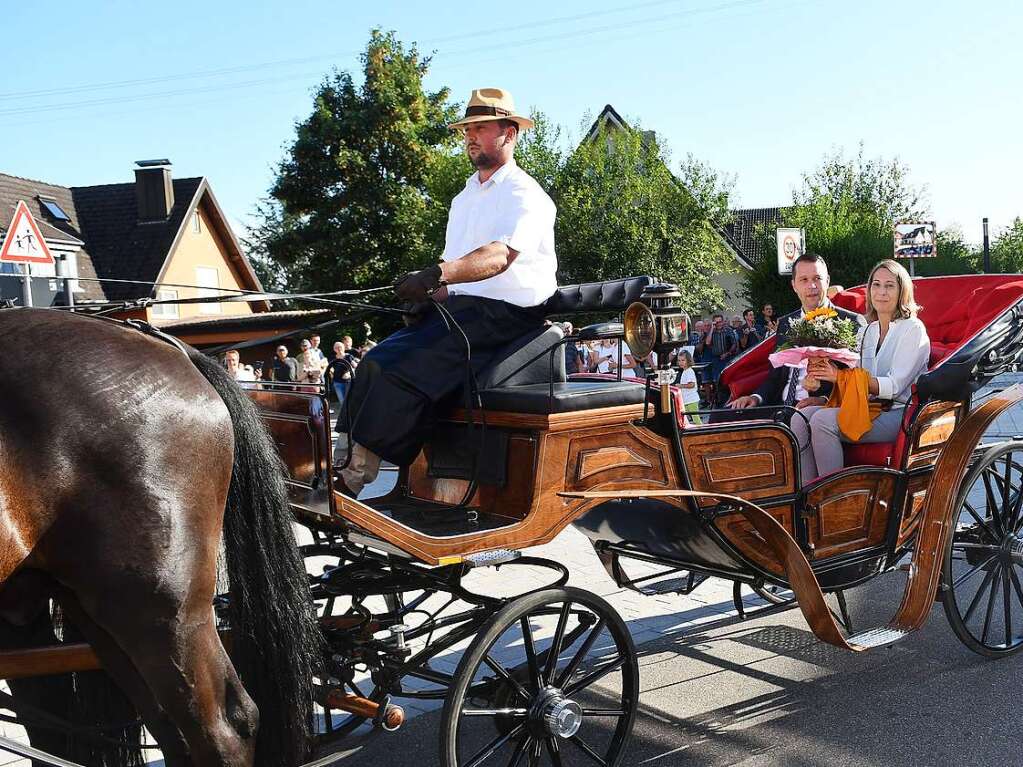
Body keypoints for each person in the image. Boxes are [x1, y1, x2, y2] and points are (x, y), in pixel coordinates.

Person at [335, 88, 557, 498]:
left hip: (509, 315)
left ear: (509, 134)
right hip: (466, 308)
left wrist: (436, 274)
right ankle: (340, 461)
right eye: (467, 130)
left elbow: (498, 257)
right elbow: (454, 272)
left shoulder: (526, 194)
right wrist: (426, 294)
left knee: (395, 365)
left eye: (480, 128)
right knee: (371, 362)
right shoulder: (463, 198)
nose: (470, 137)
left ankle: (353, 479)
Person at [790, 260, 929, 484]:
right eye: (876, 285)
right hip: (865, 405)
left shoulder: (913, 329)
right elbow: (855, 377)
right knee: (800, 418)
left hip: (897, 412)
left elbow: (893, 387)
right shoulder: (868, 330)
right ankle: (807, 493)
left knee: (823, 421)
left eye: (890, 286)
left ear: (902, 291)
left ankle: (834, 498)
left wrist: (839, 376)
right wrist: (823, 392)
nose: (882, 292)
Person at [724, 253, 866, 416]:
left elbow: (857, 378)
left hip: (819, 408)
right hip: (779, 405)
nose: (811, 286)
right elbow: (775, 376)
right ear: (794, 285)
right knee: (722, 416)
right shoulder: (786, 323)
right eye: (804, 280)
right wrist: (756, 398)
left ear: (827, 281)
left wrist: (825, 399)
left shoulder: (851, 322)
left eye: (817, 278)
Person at [676, 349, 702, 424]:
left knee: (696, 419)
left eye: (683, 360)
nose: (680, 362)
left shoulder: (689, 371)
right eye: (679, 360)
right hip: (687, 400)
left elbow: (692, 384)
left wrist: (680, 386)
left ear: (688, 360)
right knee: (684, 418)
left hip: (691, 400)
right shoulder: (685, 371)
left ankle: (701, 431)